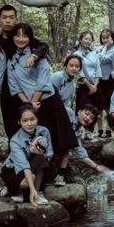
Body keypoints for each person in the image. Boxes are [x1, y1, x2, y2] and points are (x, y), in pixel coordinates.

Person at [0, 5, 49, 140]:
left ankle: (35, 151)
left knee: (30, 119)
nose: (8, 21)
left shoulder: (19, 37)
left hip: (25, 87)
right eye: (4, 17)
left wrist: (34, 55)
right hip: (6, 88)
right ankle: (14, 150)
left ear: (16, 19)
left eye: (11, 18)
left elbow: (43, 46)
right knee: (10, 120)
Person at [35, 54, 82, 185]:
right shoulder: (57, 77)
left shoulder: (72, 85)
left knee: (67, 137)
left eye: (77, 66)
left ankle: (61, 173)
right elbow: (46, 94)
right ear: (65, 66)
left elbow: (65, 104)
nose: (74, 68)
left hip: (61, 114)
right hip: (47, 112)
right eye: (71, 65)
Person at [4, 22, 52, 137]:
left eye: (25, 36)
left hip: (45, 101)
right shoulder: (11, 59)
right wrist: (27, 104)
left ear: (30, 37)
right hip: (27, 104)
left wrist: (33, 102)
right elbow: (14, 85)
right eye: (18, 35)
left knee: (51, 135)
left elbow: (43, 79)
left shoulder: (37, 54)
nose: (21, 39)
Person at [2, 106, 51, 205]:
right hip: (13, 168)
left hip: (34, 163)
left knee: (41, 158)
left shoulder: (44, 131)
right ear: (19, 122)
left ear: (37, 119)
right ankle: (21, 190)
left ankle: (37, 193)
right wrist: (29, 153)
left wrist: (38, 152)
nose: (29, 123)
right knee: (31, 177)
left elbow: (49, 154)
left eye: (32, 119)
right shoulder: (15, 140)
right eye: (25, 121)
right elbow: (24, 165)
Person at [67, 104, 112, 176]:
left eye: (91, 118)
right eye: (86, 114)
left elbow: (79, 153)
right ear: (79, 111)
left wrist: (96, 167)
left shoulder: (77, 134)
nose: (88, 118)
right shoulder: (69, 113)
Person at [72, 32, 102, 138]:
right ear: (80, 40)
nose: (88, 41)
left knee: (94, 109)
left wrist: (95, 85)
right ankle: (79, 130)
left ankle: (90, 131)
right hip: (83, 85)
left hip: (95, 84)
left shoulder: (94, 54)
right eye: (86, 39)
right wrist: (89, 85)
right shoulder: (76, 54)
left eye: (90, 39)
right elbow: (78, 71)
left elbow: (98, 69)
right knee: (83, 108)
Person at [97, 28, 114, 138]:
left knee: (110, 105)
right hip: (100, 79)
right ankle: (101, 130)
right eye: (103, 38)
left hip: (111, 79)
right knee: (102, 105)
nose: (105, 40)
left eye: (107, 38)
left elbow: (105, 59)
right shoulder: (99, 48)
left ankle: (109, 129)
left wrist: (103, 50)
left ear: (112, 38)